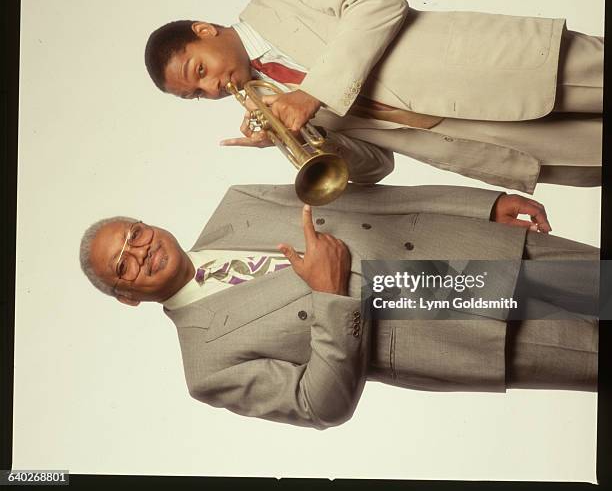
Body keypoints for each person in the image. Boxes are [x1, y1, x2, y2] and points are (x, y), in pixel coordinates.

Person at [79, 184, 597, 429]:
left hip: (466, 248)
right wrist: (330, 297)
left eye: (135, 234)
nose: (140, 251)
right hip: (443, 327)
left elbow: (369, 199)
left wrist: (479, 205)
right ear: (127, 297)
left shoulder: (237, 204)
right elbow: (318, 406)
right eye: (122, 265)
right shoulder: (205, 365)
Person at [144, 0, 603, 193]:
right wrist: (298, 143)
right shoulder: (273, 107)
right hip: (486, 144)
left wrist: (312, 94)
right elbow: (376, 165)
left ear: (205, 30)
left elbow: (379, 3)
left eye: (200, 69)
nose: (211, 86)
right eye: (197, 93)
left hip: (501, 69)